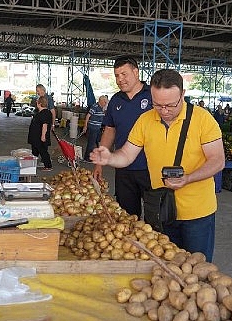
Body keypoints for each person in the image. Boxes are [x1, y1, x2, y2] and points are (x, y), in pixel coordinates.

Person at [90, 69, 224, 259]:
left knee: (198, 271)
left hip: (197, 213)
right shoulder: (146, 120)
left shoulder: (203, 119)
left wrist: (188, 178)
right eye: (158, 105)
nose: (164, 111)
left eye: (170, 105)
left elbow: (218, 161)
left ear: (182, 95)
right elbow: (127, 155)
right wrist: (109, 158)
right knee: (165, 268)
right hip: (162, 209)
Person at [93, 56, 152, 217]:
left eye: (124, 74)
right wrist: (99, 163)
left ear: (136, 72)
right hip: (123, 169)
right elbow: (109, 131)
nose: (120, 80)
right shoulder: (115, 100)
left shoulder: (153, 95)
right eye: (117, 76)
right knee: (126, 217)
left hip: (151, 168)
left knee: (156, 218)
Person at [28, 95, 53, 171]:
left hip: (39, 137)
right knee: (35, 151)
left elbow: (44, 125)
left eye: (37, 102)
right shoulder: (41, 112)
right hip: (35, 137)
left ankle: (48, 166)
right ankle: (32, 165)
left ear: (39, 103)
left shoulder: (44, 113)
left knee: (43, 151)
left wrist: (43, 136)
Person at [82, 95, 108, 161]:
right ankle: (87, 158)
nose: (105, 104)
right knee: (91, 143)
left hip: (97, 128)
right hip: (92, 128)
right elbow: (88, 116)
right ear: (101, 101)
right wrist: (85, 126)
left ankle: (97, 155)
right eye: (105, 102)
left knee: (98, 142)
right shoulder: (95, 106)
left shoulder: (101, 108)